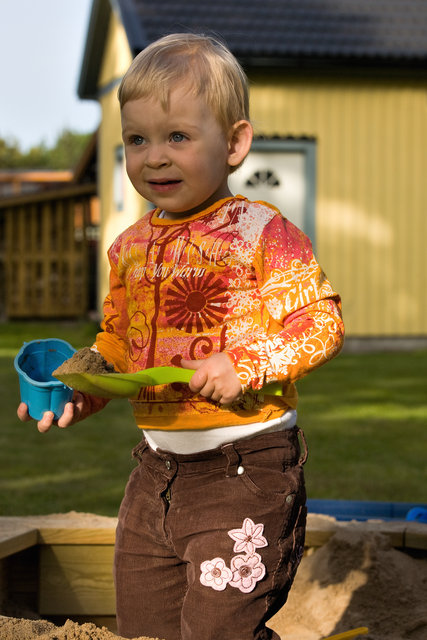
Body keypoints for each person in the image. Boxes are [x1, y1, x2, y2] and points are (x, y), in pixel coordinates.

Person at [18, 33, 344, 640]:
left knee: (220, 629)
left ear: (235, 144)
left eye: (177, 137)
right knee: (144, 626)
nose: (155, 158)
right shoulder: (130, 247)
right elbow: (121, 343)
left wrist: (247, 363)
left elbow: (322, 323)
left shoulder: (261, 233)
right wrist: (86, 386)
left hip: (244, 473)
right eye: (137, 140)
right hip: (154, 475)